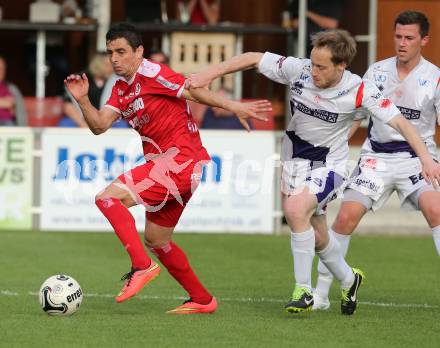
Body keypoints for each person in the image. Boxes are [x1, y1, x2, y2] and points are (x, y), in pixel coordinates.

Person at [188, 29, 440, 314]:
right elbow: (252, 58)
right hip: (293, 162)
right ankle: (349, 279)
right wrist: (209, 74)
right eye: (312, 63)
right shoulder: (300, 70)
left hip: (329, 165)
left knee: (295, 210)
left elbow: (402, 124)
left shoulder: (360, 89)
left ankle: (303, 290)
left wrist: (426, 160)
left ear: (341, 66)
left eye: (321, 67)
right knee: (318, 237)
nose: (313, 71)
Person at [64, 23, 270, 314]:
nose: (114, 58)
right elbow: (99, 126)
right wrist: (83, 99)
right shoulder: (120, 89)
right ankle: (202, 300)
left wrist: (232, 106)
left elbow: (193, 91)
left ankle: (141, 266)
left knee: (107, 198)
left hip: (179, 162)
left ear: (139, 52)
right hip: (179, 168)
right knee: (157, 240)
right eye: (111, 52)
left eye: (121, 51)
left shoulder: (152, 72)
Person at [313, 11, 440, 310]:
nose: (402, 43)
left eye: (409, 38)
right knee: (344, 218)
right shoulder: (376, 72)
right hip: (377, 157)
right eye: (398, 36)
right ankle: (320, 295)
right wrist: (334, 148)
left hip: (417, 158)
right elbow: (356, 117)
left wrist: (431, 162)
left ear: (424, 40)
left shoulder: (435, 77)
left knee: (436, 210)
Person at [60, 53, 127, 128]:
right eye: (109, 65)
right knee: (65, 124)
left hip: (106, 121)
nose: (113, 68)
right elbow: (67, 105)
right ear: (98, 65)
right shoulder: (80, 79)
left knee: (122, 125)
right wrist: (83, 124)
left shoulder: (116, 80)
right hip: (81, 120)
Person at [0, 55, 27, 126]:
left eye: (3, 68)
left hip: (7, 123)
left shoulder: (11, 88)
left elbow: (19, 110)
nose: (1, 71)